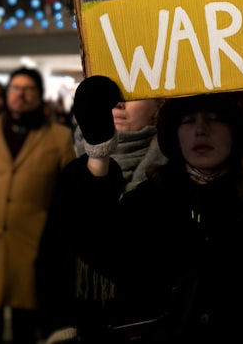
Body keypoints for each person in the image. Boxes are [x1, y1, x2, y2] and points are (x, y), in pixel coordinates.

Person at [42, 76, 243, 343]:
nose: (200, 130)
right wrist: (98, 156)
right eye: (188, 120)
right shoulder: (144, 207)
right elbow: (92, 242)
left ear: (237, 131)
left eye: (214, 118)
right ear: (175, 135)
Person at [37, 94, 167, 337]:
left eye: (131, 95)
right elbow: (53, 252)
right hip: (79, 323)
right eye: (111, 95)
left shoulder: (173, 173)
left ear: (158, 106)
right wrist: (56, 323)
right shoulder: (74, 166)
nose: (117, 103)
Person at [0, 66, 75, 344]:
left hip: (33, 245)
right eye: (14, 88)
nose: (20, 95)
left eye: (28, 89)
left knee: (27, 325)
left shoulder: (58, 136)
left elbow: (67, 190)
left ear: (39, 95)